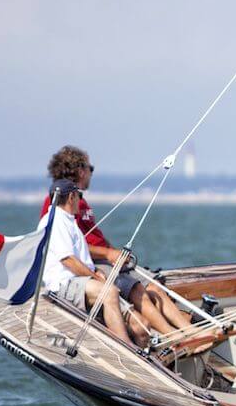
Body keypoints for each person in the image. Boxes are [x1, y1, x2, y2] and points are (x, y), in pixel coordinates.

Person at [40, 146, 195, 341]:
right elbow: (65, 252)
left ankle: (185, 333)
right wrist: (107, 256)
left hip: (97, 265)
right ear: (81, 171)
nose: (91, 174)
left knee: (155, 287)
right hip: (87, 270)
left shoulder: (78, 202)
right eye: (91, 168)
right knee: (140, 294)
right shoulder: (58, 203)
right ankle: (176, 337)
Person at [39, 180, 138, 346]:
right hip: (64, 285)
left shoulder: (68, 221)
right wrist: (95, 277)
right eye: (79, 195)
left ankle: (145, 357)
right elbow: (68, 260)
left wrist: (95, 275)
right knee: (109, 292)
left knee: (141, 326)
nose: (80, 200)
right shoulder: (56, 221)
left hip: (81, 283)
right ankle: (127, 347)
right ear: (71, 197)